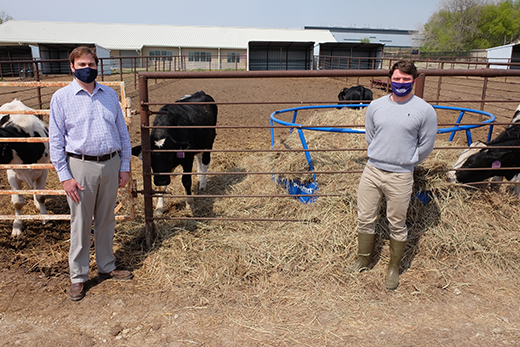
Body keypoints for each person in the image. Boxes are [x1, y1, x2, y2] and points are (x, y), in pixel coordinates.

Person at [49, 46, 133, 301]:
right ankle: (78, 276)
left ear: (98, 66)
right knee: (81, 222)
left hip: (110, 162)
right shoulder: (61, 98)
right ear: (72, 67)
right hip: (80, 166)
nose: (87, 69)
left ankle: (107, 265)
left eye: (91, 64)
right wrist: (65, 176)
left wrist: (125, 165)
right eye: (82, 65)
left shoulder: (109, 95)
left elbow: (122, 133)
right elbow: (55, 142)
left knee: (107, 218)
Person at [353, 60, 437, 290]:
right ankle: (363, 260)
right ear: (390, 79)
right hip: (372, 171)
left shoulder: (424, 110)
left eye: (406, 80)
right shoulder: (376, 106)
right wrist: (382, 154)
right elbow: (371, 136)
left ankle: (393, 268)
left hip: (400, 175)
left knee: (397, 222)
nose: (401, 83)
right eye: (397, 79)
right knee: (365, 217)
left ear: (414, 80)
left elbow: (426, 145)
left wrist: (406, 160)